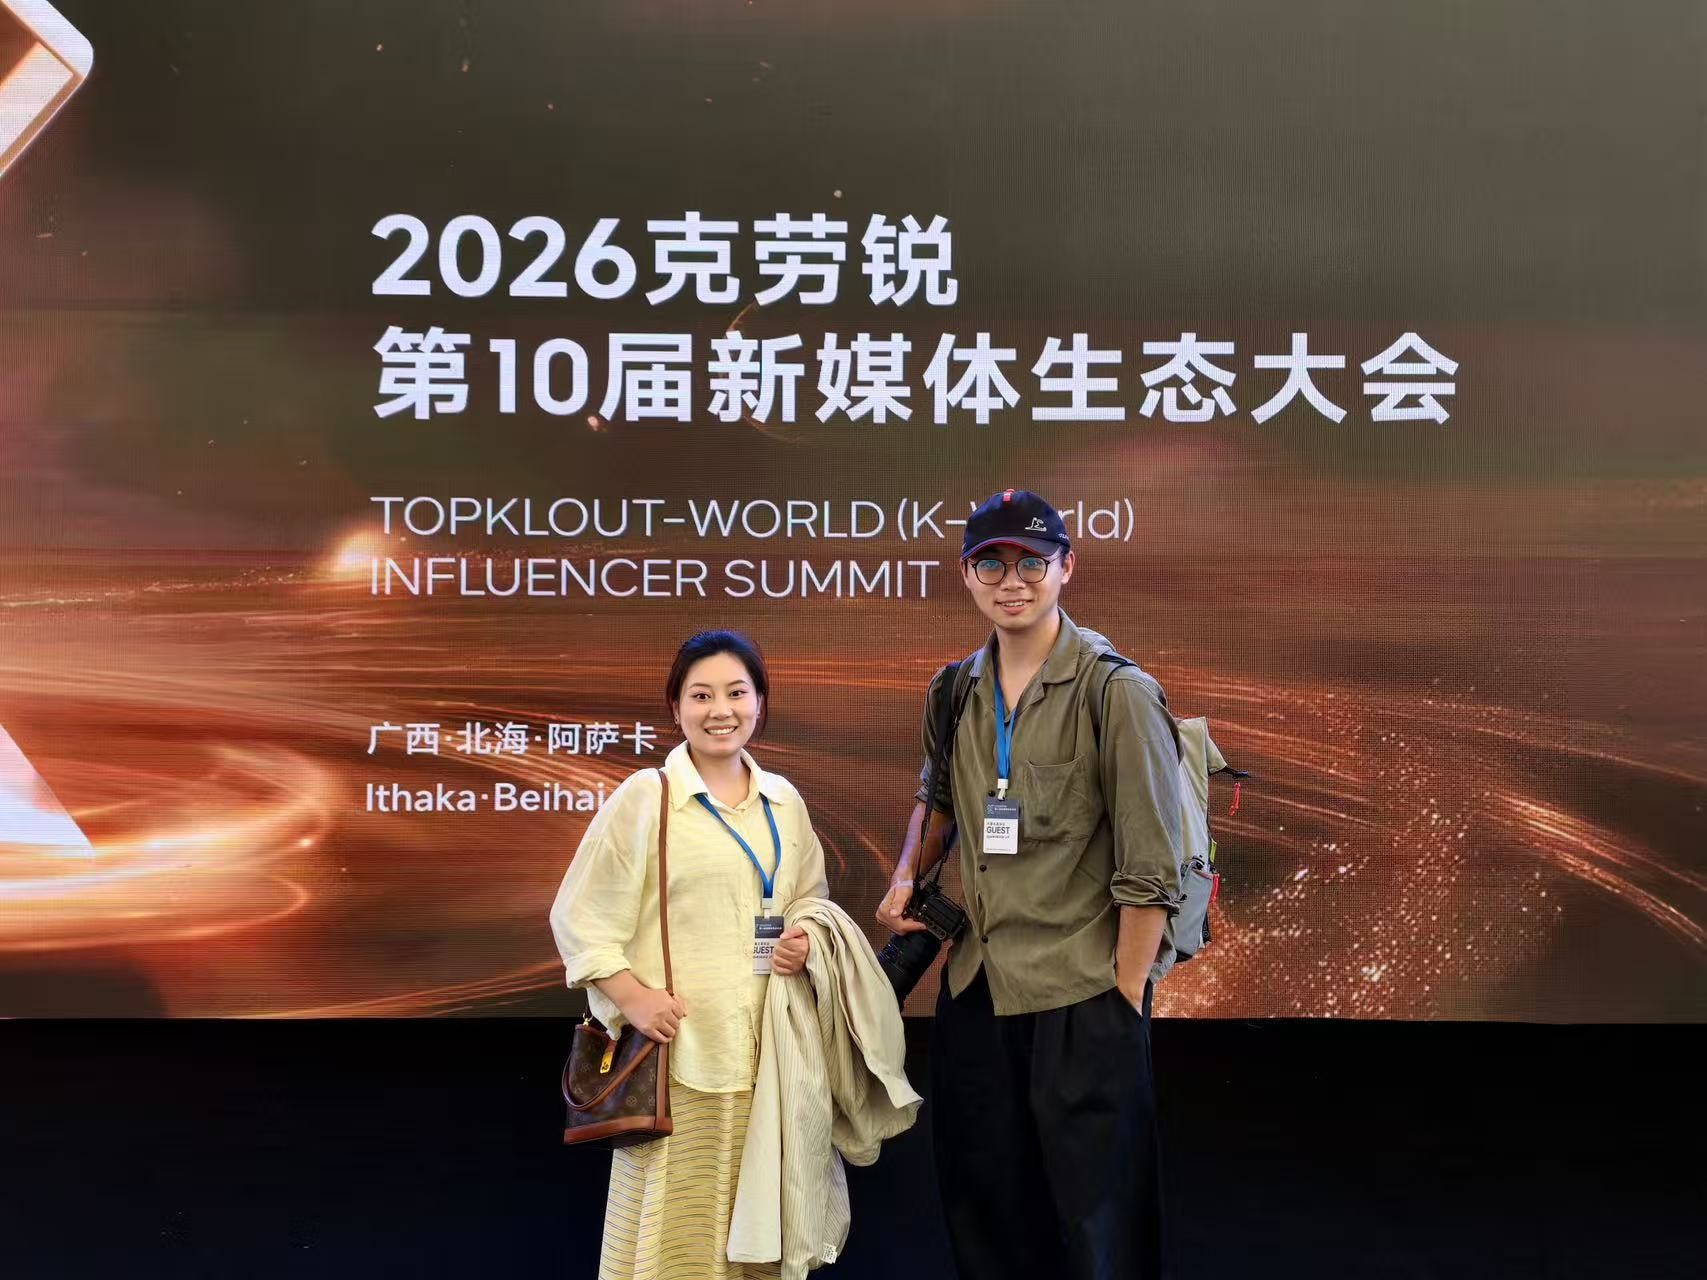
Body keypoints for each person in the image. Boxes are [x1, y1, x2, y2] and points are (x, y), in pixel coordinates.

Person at [877, 488, 1184, 1279]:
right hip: (977, 989)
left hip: (1082, 995)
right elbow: (936, 801)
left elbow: (1151, 866)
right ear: (966, 574)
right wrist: (907, 871)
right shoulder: (953, 690)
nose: (1011, 582)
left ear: (1065, 567)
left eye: (1030, 563)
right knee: (987, 1217)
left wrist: (1123, 996)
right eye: (991, 564)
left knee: (1098, 1230)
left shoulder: (1115, 692)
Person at [551, 630, 827, 1280]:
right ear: (675, 707)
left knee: (757, 1248)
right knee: (671, 1248)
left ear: (759, 702)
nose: (720, 710)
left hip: (766, 1062)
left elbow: (811, 901)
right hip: (678, 1064)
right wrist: (633, 998)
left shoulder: (784, 802)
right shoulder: (646, 797)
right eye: (701, 696)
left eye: (736, 693)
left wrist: (804, 940)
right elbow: (578, 916)